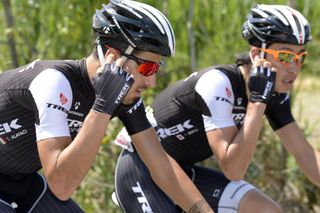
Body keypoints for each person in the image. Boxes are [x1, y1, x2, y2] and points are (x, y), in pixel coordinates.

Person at [0, 0, 214, 212]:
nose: (152, 82)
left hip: (20, 180)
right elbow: (61, 184)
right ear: (113, 56)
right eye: (148, 68)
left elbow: (163, 167)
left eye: (157, 69)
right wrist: (103, 105)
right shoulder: (55, 84)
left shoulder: (123, 97)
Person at [114, 4, 320, 213]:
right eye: (285, 55)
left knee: (267, 210)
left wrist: (260, 100)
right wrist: (256, 104)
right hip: (141, 167)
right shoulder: (218, 84)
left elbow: (307, 157)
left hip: (183, 174)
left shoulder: (275, 95)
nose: (293, 66)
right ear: (257, 53)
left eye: (300, 57)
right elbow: (233, 169)